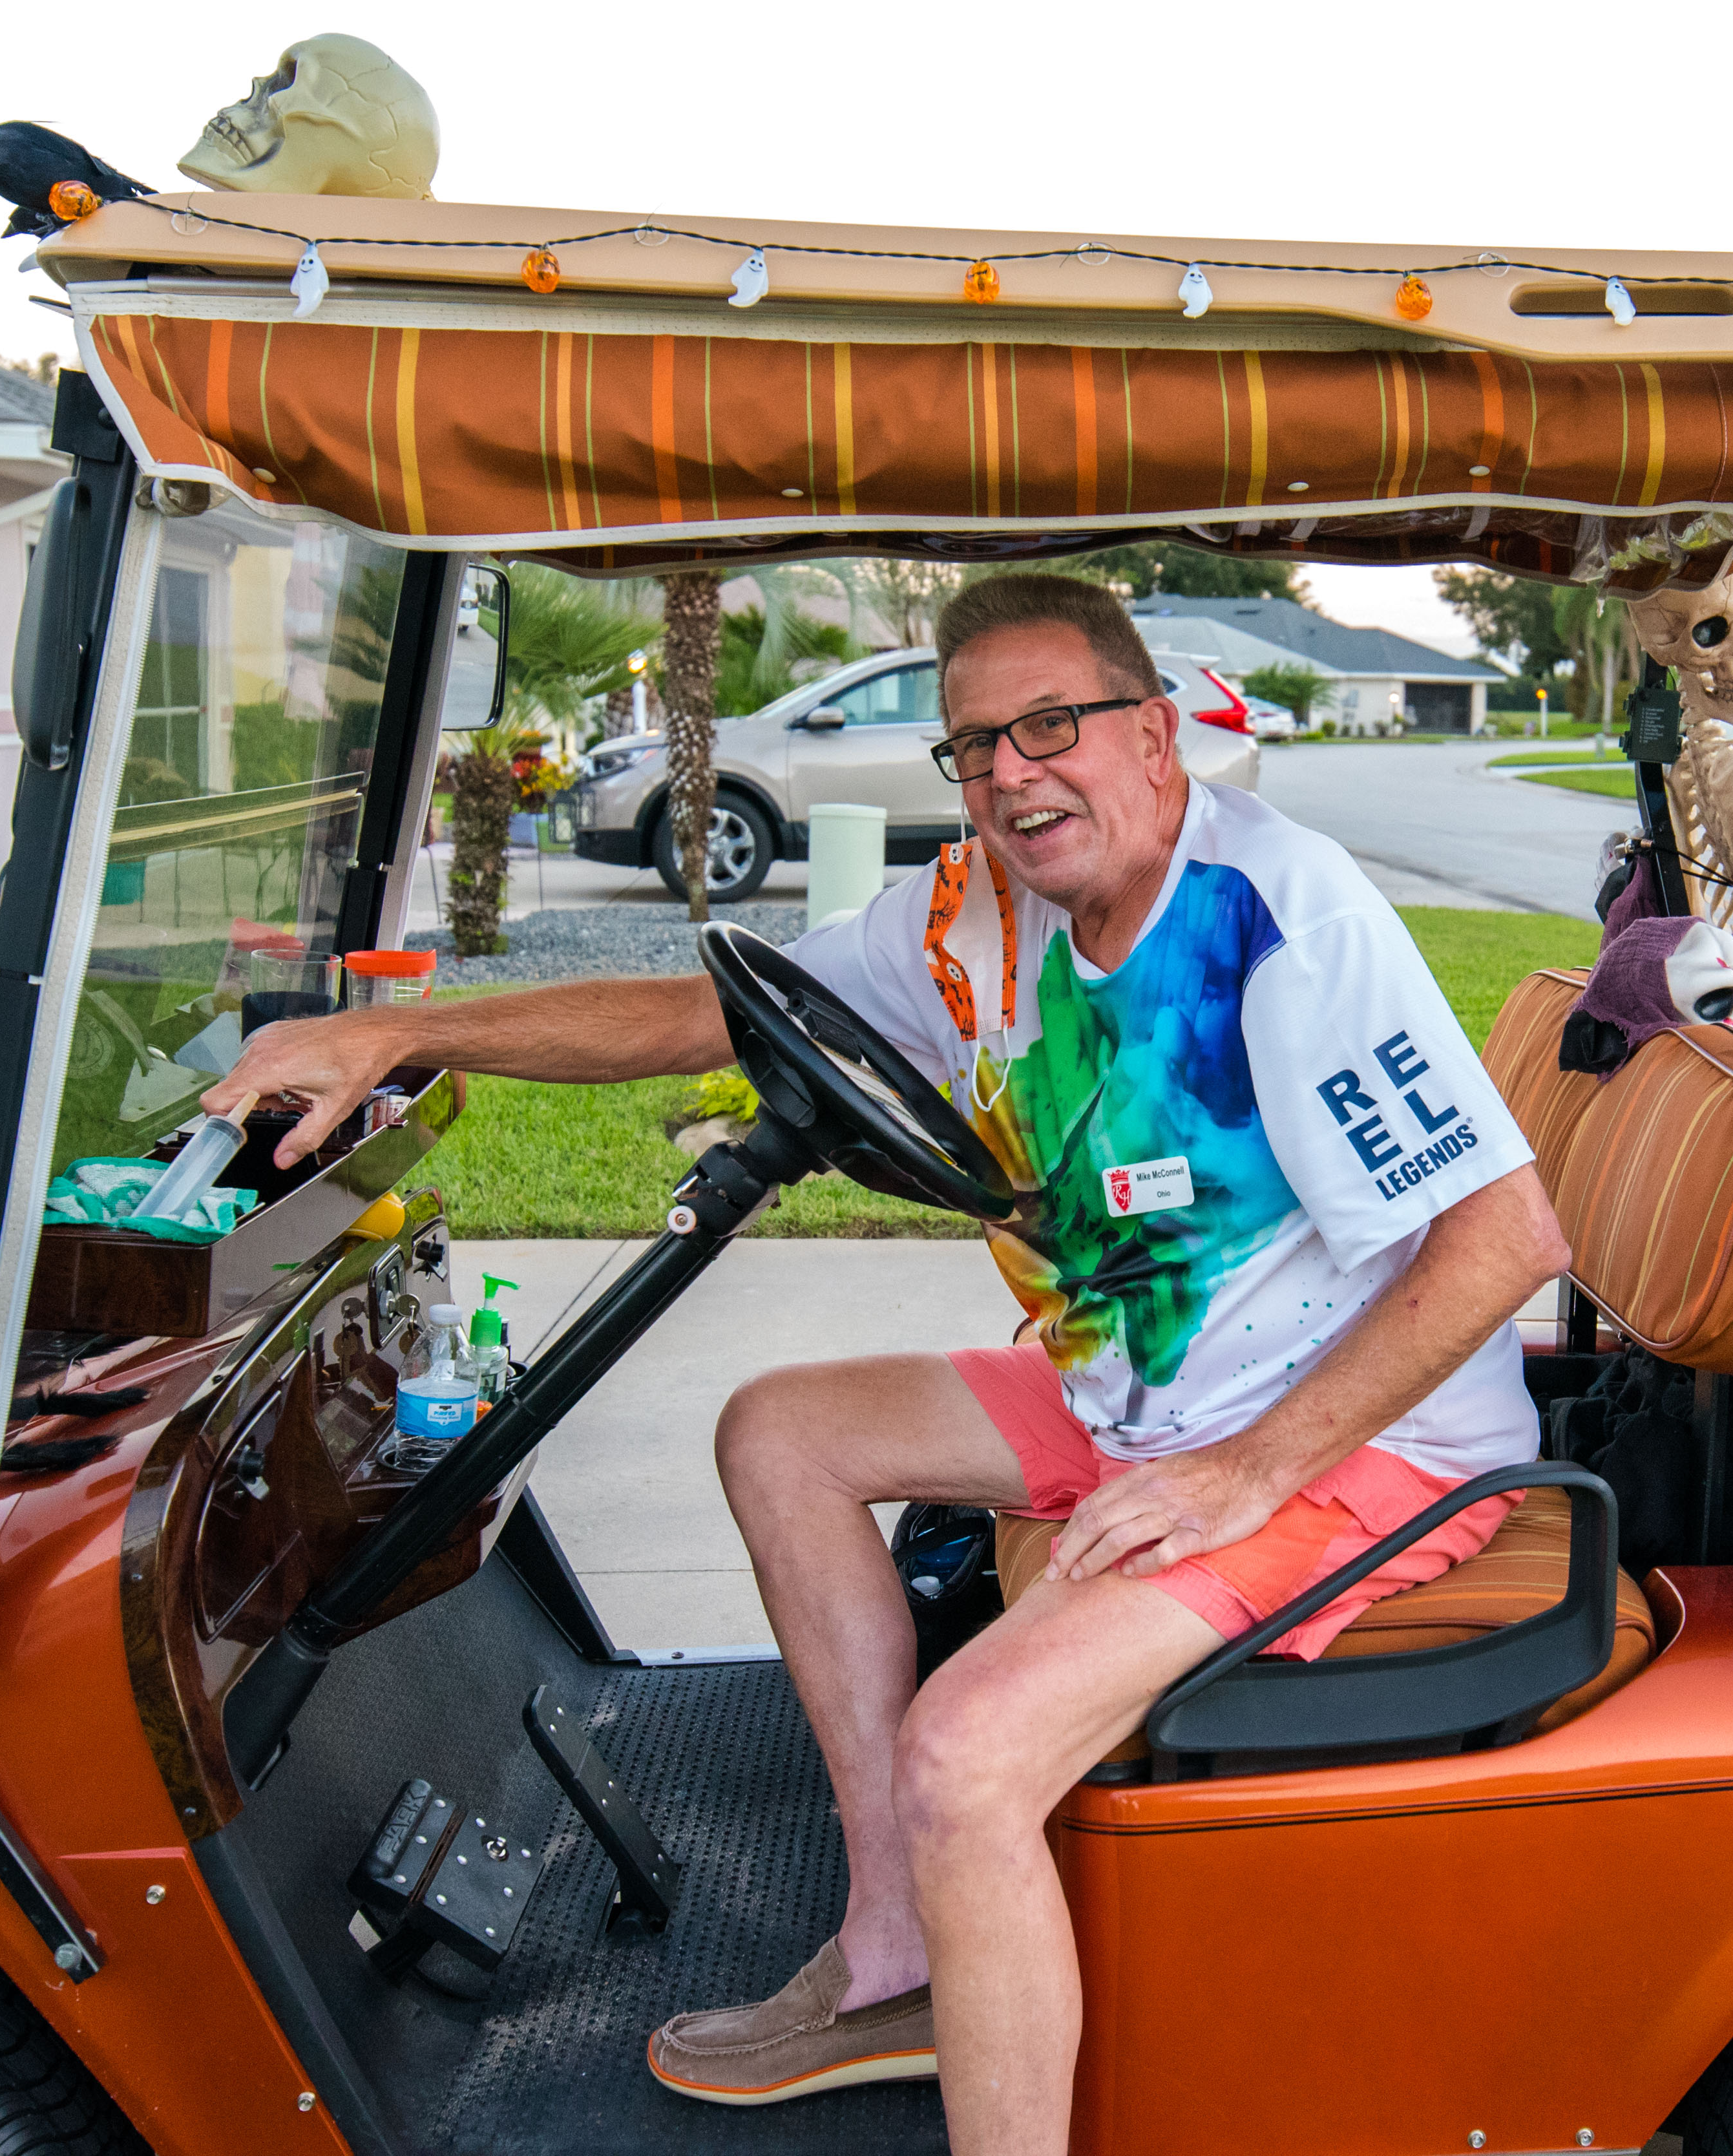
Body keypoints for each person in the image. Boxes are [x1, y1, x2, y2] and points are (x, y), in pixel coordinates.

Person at [205, 573, 1570, 2155]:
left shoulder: (1277, 915)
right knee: (781, 1432)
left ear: (1154, 733)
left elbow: (1506, 1239)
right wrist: (404, 1034)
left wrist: (1238, 1476)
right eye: (974, 745)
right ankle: (893, 1945)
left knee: (966, 1755)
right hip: (1144, 1394)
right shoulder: (975, 915)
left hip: (1347, 1453)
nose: (1009, 774)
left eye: (1050, 726)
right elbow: (690, 1014)